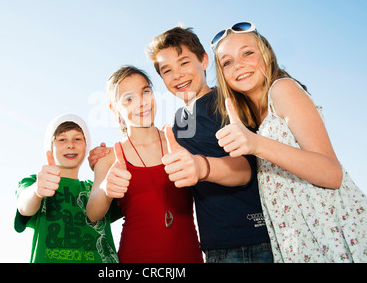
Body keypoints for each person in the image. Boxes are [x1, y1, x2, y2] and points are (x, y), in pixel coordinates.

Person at [212, 21, 367, 262]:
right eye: (227, 62)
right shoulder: (252, 118)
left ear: (266, 54)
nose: (238, 65)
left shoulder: (282, 90)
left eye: (248, 53)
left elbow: (332, 173)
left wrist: (255, 144)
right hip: (299, 238)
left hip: (331, 227)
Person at [144, 26, 272, 263]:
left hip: (252, 241)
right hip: (215, 244)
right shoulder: (179, 121)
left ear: (204, 60)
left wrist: (200, 166)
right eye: (167, 70)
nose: (178, 75)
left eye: (184, 63)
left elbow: (245, 169)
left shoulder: (225, 103)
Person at [86, 66, 203, 263]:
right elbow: (92, 213)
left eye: (145, 91)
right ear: (115, 110)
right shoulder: (109, 157)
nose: (141, 103)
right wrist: (106, 188)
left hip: (189, 256)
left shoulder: (181, 145)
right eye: (129, 99)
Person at [14, 114, 119, 263]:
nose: (71, 145)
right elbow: (24, 206)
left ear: (86, 146)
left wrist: (109, 160)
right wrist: (37, 191)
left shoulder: (97, 187)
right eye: (62, 139)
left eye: (77, 139)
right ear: (50, 147)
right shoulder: (36, 182)